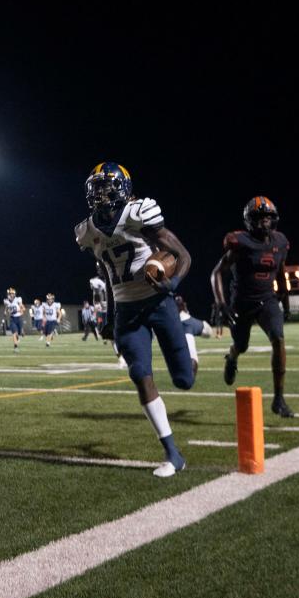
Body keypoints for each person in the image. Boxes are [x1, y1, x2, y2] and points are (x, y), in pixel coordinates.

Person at [75, 161, 194, 478]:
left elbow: (183, 256)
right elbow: (108, 275)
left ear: (123, 188)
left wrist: (172, 284)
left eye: (107, 186)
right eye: (96, 188)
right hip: (128, 311)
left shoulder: (139, 213)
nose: (101, 194)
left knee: (185, 380)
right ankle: (172, 454)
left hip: (159, 303)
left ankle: (190, 339)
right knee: (140, 373)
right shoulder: (88, 232)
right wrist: (111, 316)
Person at [212, 195, 293, 417]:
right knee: (242, 345)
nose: (264, 222)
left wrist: (284, 301)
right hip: (242, 302)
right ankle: (232, 357)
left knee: (278, 339)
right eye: (259, 217)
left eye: (268, 217)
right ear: (249, 220)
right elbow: (217, 272)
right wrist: (221, 303)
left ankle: (279, 399)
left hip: (267, 300)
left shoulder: (280, 242)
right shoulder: (241, 243)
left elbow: (281, 272)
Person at [176, 296, 213, 375]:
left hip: (201, 328)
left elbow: (193, 359)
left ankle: (189, 378)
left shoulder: (186, 324)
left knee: (191, 354)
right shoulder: (181, 318)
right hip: (192, 324)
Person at [3, 287, 25, 352]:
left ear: (14, 294)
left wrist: (17, 310)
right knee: (14, 333)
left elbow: (23, 309)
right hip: (12, 318)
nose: (11, 295)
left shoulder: (18, 299)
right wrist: (5, 311)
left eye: (12, 294)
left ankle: (21, 332)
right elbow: (7, 306)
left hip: (19, 318)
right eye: (10, 294)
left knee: (21, 333)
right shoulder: (6, 301)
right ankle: (15, 347)